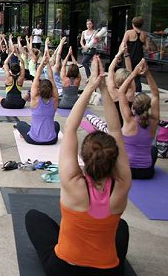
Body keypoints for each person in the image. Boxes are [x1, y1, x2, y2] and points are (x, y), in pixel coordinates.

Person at [25, 56, 131, 276]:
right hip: (108, 271)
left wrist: (92, 85)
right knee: (121, 228)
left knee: (33, 217)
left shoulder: (73, 182)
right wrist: (102, 88)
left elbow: (70, 128)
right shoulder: (121, 186)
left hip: (64, 269)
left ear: (83, 156)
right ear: (115, 159)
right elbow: (116, 130)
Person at [118, 60, 160, 179]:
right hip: (146, 172)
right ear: (148, 107)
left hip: (125, 171)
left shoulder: (128, 120)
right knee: (153, 150)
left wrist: (134, 73)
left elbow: (121, 92)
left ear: (133, 108)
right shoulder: (154, 121)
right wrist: (147, 74)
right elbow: (155, 94)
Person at [87, 42, 135, 132]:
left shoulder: (113, 91)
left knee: (91, 117)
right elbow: (130, 72)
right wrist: (126, 53)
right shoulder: (130, 93)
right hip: (127, 129)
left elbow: (110, 69)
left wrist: (119, 53)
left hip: (113, 129)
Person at [15, 50, 60, 145]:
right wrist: (47, 64)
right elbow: (51, 78)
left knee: (20, 124)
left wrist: (42, 62)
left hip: (33, 139)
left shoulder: (35, 99)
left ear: (39, 90)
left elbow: (36, 78)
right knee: (56, 124)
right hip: (51, 140)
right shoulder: (55, 100)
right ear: (51, 90)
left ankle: (25, 134)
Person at [121, 16, 149, 93]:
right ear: (142, 25)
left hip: (129, 57)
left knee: (126, 74)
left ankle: (126, 91)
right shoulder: (144, 34)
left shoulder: (128, 32)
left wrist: (119, 55)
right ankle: (137, 92)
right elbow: (147, 48)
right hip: (139, 57)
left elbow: (123, 44)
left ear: (133, 24)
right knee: (137, 76)